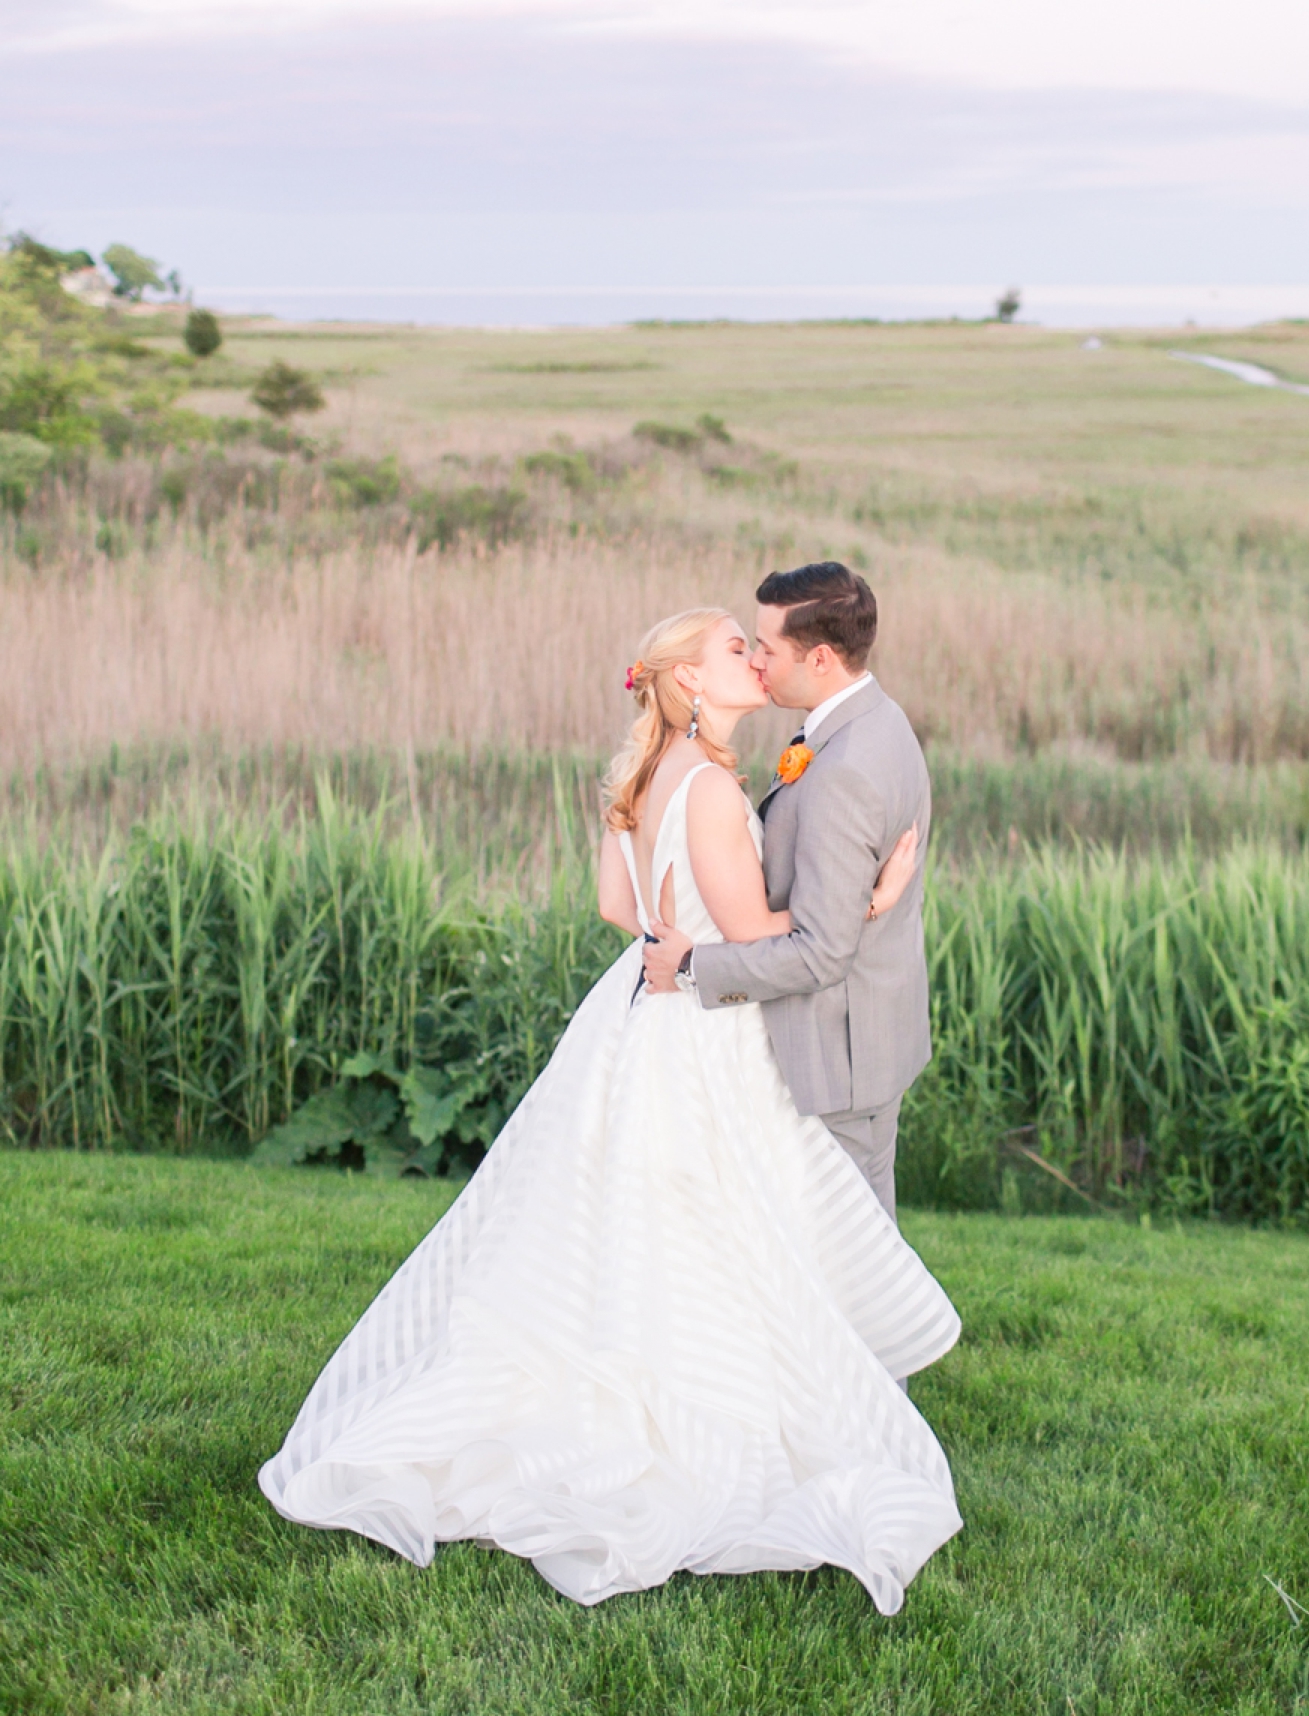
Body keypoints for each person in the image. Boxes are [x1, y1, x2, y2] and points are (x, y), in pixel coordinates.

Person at [260, 606, 961, 1613]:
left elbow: (617, 909)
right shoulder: (714, 789)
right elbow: (764, 931)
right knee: (714, 1217)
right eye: (732, 648)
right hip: (696, 1030)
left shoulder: (640, 775)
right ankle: (701, 1413)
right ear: (685, 679)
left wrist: (670, 933)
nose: (751, 659)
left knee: (628, 1217)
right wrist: (874, 898)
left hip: (634, 1011)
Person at [644, 563, 930, 1228]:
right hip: (866, 1031)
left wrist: (692, 968)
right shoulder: (876, 722)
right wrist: (867, 902)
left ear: (822, 657)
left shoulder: (845, 770)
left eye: (768, 647)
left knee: (852, 1256)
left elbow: (820, 956)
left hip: (840, 1054)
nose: (758, 660)